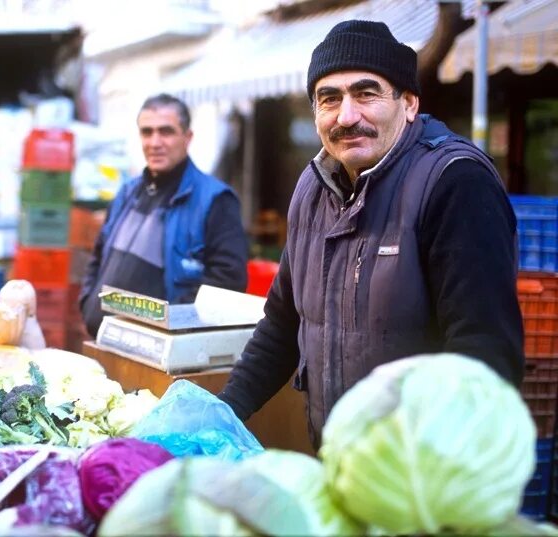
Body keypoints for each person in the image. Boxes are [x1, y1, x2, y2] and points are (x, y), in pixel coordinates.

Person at [218, 20, 524, 449]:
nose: (347, 116)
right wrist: (222, 413)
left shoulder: (455, 183)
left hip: (422, 477)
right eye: (329, 99)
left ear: (410, 103)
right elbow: (284, 323)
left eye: (366, 93)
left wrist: (426, 478)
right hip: (342, 465)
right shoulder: (312, 189)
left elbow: (486, 355)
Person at [79, 93, 249, 337]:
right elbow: (97, 255)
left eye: (166, 131)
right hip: (103, 339)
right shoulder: (127, 192)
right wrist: (88, 305)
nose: (155, 142)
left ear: (187, 137)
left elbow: (227, 284)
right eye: (147, 132)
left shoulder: (215, 200)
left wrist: (169, 327)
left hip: (160, 353)